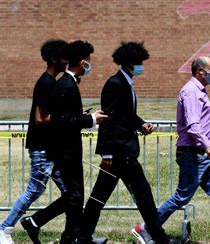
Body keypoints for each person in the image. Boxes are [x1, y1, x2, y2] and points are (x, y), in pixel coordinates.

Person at [131, 56, 210, 244]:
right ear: (200, 71)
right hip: (194, 154)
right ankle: (146, 228)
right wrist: (207, 145)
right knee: (182, 197)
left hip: (203, 156)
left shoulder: (199, 91)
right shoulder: (191, 92)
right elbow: (193, 126)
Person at [77, 42, 168, 244]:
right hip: (120, 153)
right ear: (129, 63)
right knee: (138, 196)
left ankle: (83, 236)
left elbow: (127, 116)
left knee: (105, 197)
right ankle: (160, 238)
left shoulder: (126, 83)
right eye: (139, 62)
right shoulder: (115, 84)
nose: (141, 66)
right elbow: (108, 120)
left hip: (124, 152)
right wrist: (107, 154)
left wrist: (142, 125)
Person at [0, 40, 69, 244]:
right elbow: (40, 118)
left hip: (51, 148)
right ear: (55, 59)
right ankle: (4, 228)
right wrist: (67, 119)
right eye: (64, 57)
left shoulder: (52, 82)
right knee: (35, 189)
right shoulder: (45, 83)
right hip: (42, 148)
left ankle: (75, 233)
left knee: (71, 193)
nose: (67, 62)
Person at [49, 40, 108, 244]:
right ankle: (71, 238)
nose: (90, 65)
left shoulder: (68, 83)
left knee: (75, 197)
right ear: (83, 62)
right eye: (89, 61)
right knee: (75, 197)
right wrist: (92, 119)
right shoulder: (66, 84)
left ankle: (74, 236)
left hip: (69, 151)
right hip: (67, 151)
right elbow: (63, 120)